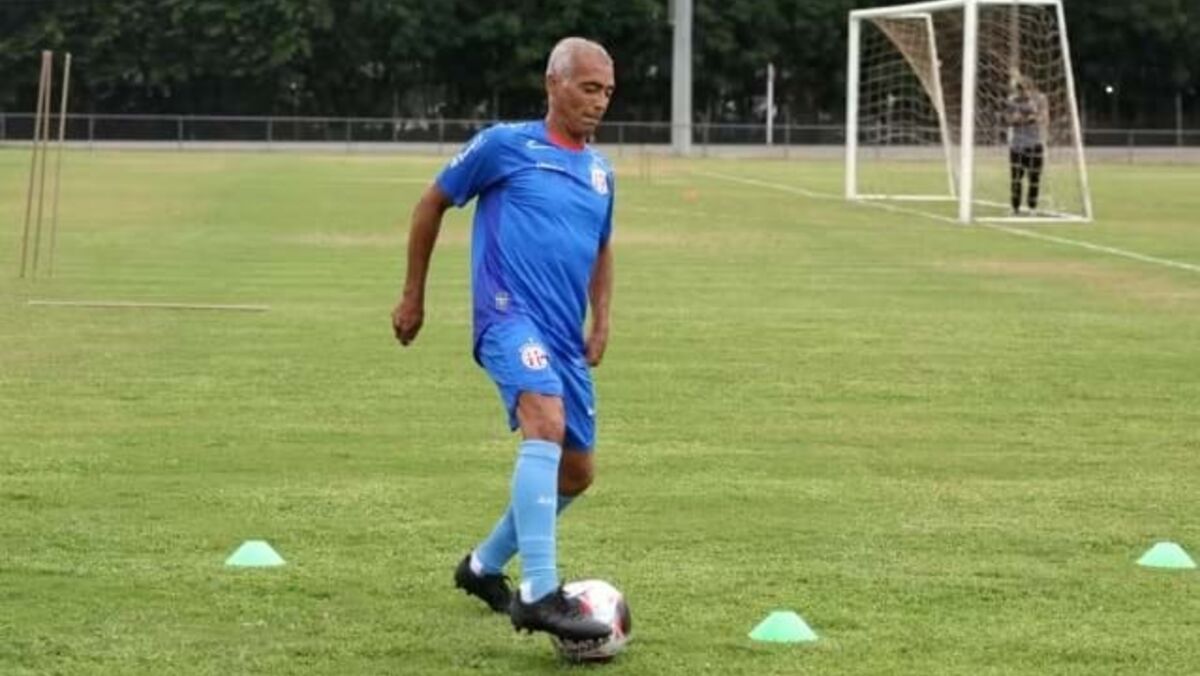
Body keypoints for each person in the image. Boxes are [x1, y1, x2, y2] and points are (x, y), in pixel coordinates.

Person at [391, 37, 616, 643]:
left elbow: (600, 249)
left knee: (577, 473)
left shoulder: (601, 173)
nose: (599, 102)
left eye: (607, 92)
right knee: (544, 421)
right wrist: (413, 295)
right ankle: (539, 592)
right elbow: (431, 204)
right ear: (553, 84)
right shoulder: (503, 146)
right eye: (588, 88)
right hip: (507, 318)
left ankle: (482, 567)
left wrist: (601, 320)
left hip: (565, 336)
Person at [1006, 76, 1048, 215]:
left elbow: (1044, 118)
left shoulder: (1040, 99)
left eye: (1024, 90)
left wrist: (1033, 116)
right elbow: (1009, 119)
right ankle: (1015, 207)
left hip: (1034, 144)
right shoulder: (1012, 100)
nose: (1022, 93)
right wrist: (1018, 119)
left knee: (1034, 178)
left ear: (1031, 88)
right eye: (1019, 90)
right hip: (1017, 145)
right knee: (1016, 178)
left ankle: (1032, 207)